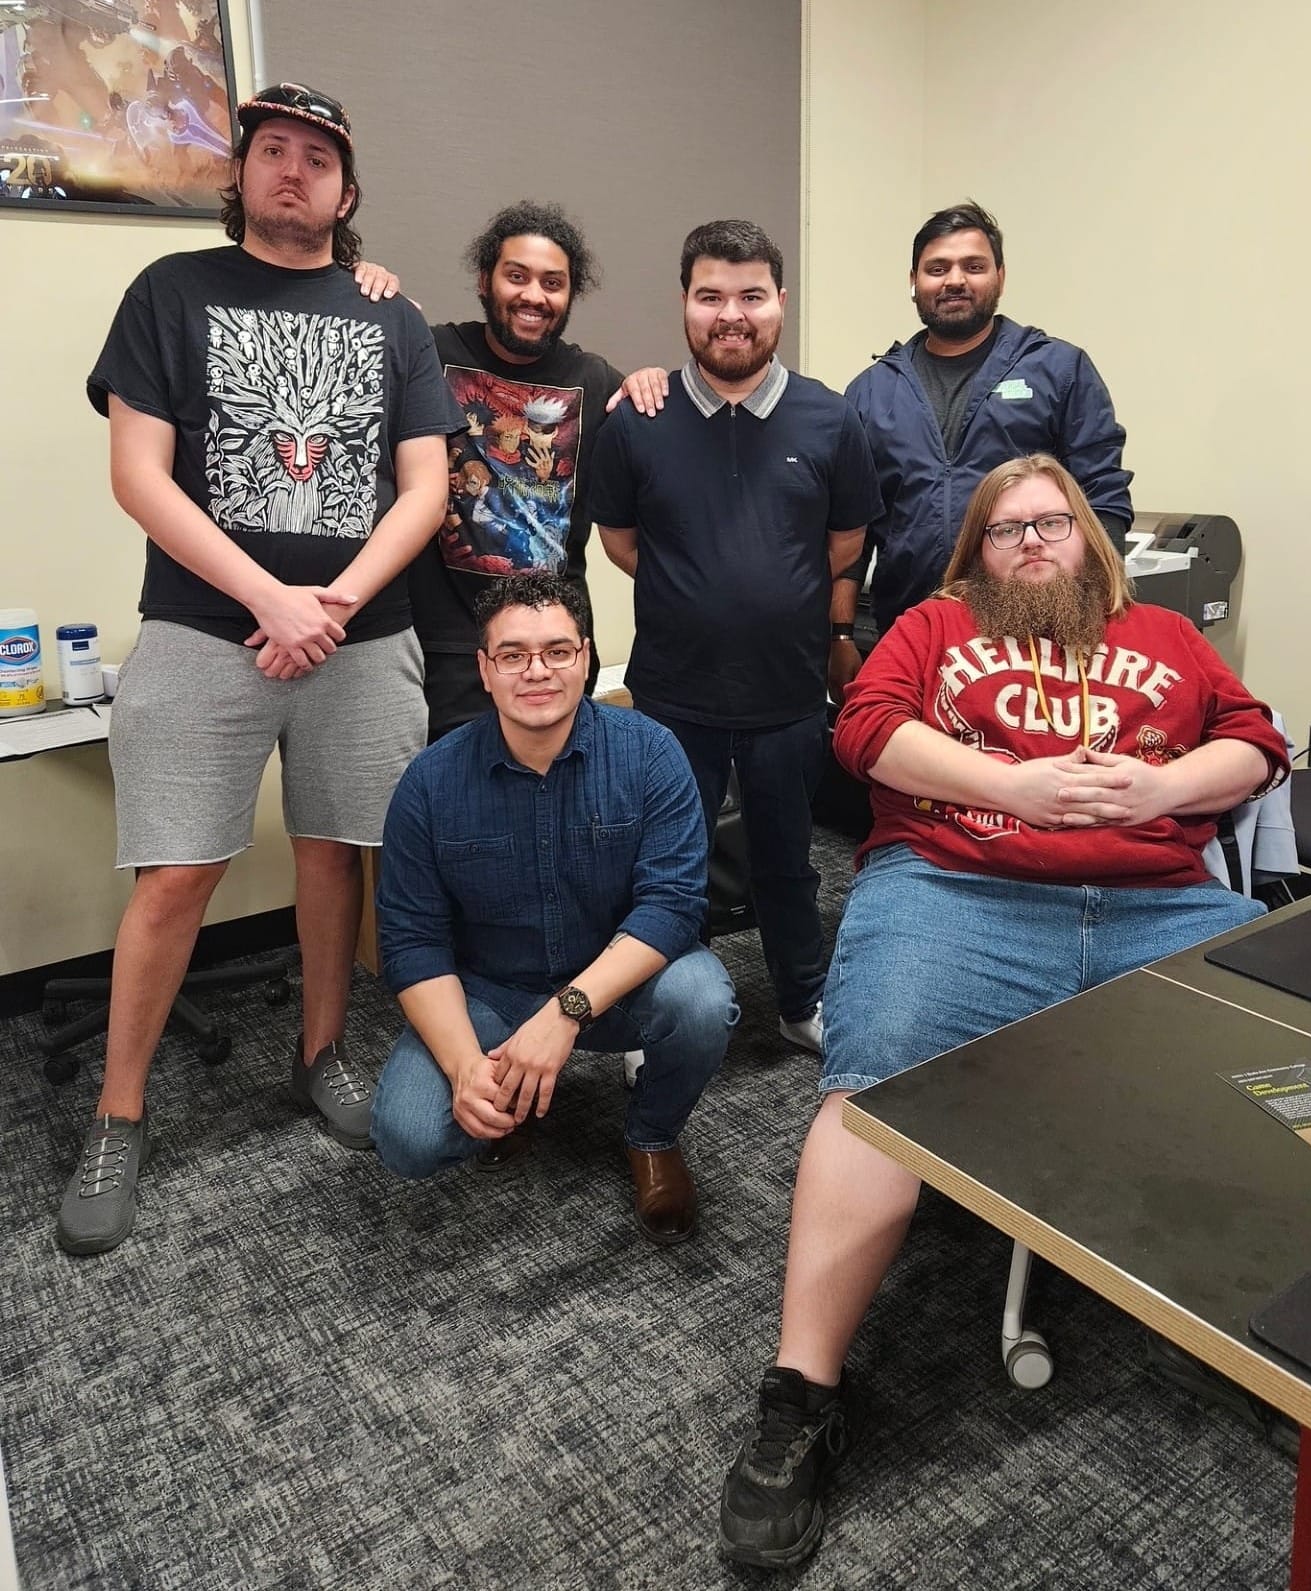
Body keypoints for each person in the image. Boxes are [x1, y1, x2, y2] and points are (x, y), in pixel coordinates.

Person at [717, 453, 1289, 1568]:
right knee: (873, 1088)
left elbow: (1256, 745)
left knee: (1285, 1070)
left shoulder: (1165, 638)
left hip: (1155, 901)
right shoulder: (935, 627)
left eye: (1053, 523)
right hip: (956, 890)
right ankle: (801, 1397)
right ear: (975, 551)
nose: (1033, 542)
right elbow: (865, 729)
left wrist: (1168, 787)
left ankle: (1286, 1347)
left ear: (1089, 538)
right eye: (1006, 528)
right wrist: (1015, 788)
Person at [60, 82, 461, 1257]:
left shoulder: (393, 317)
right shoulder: (168, 293)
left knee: (340, 856)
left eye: (317, 157)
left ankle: (320, 1054)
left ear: (347, 188)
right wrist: (267, 596)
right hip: (199, 631)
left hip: (363, 635)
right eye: (270, 151)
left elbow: (426, 485)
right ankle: (118, 1115)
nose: (293, 171)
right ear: (238, 174)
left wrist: (331, 601)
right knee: (175, 876)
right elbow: (141, 474)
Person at [369, 573, 737, 1242]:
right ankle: (503, 1104)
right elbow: (412, 941)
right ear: (484, 669)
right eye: (513, 654)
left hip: (617, 984)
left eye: (557, 651)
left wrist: (565, 1012)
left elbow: (673, 906)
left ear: (586, 657)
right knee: (408, 1135)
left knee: (703, 998)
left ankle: (651, 1135)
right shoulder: (430, 782)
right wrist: (462, 1069)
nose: (536, 671)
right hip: (491, 994)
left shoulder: (651, 753)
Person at [591, 219, 883, 1054]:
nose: (731, 314)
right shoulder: (637, 420)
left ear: (779, 303)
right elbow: (621, 541)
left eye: (750, 295)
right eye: (710, 295)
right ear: (684, 303)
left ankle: (801, 1001)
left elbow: (842, 544)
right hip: (674, 693)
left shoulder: (830, 419)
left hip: (785, 694)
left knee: (787, 862)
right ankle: (660, 1013)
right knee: (665, 862)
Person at [829, 201, 1133, 701]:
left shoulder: (1059, 370)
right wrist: (840, 636)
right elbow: (851, 533)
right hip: (913, 634)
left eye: (973, 266)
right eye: (937, 268)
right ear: (913, 281)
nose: (955, 280)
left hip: (1037, 636)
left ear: (1000, 277)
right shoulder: (871, 391)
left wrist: (1102, 615)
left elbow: (1102, 499)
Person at [410, 201, 664, 740]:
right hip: (444, 650)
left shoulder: (596, 382)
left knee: (551, 808)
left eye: (553, 283)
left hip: (554, 650)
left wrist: (651, 380)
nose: (534, 296)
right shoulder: (430, 350)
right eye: (517, 276)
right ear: (486, 279)